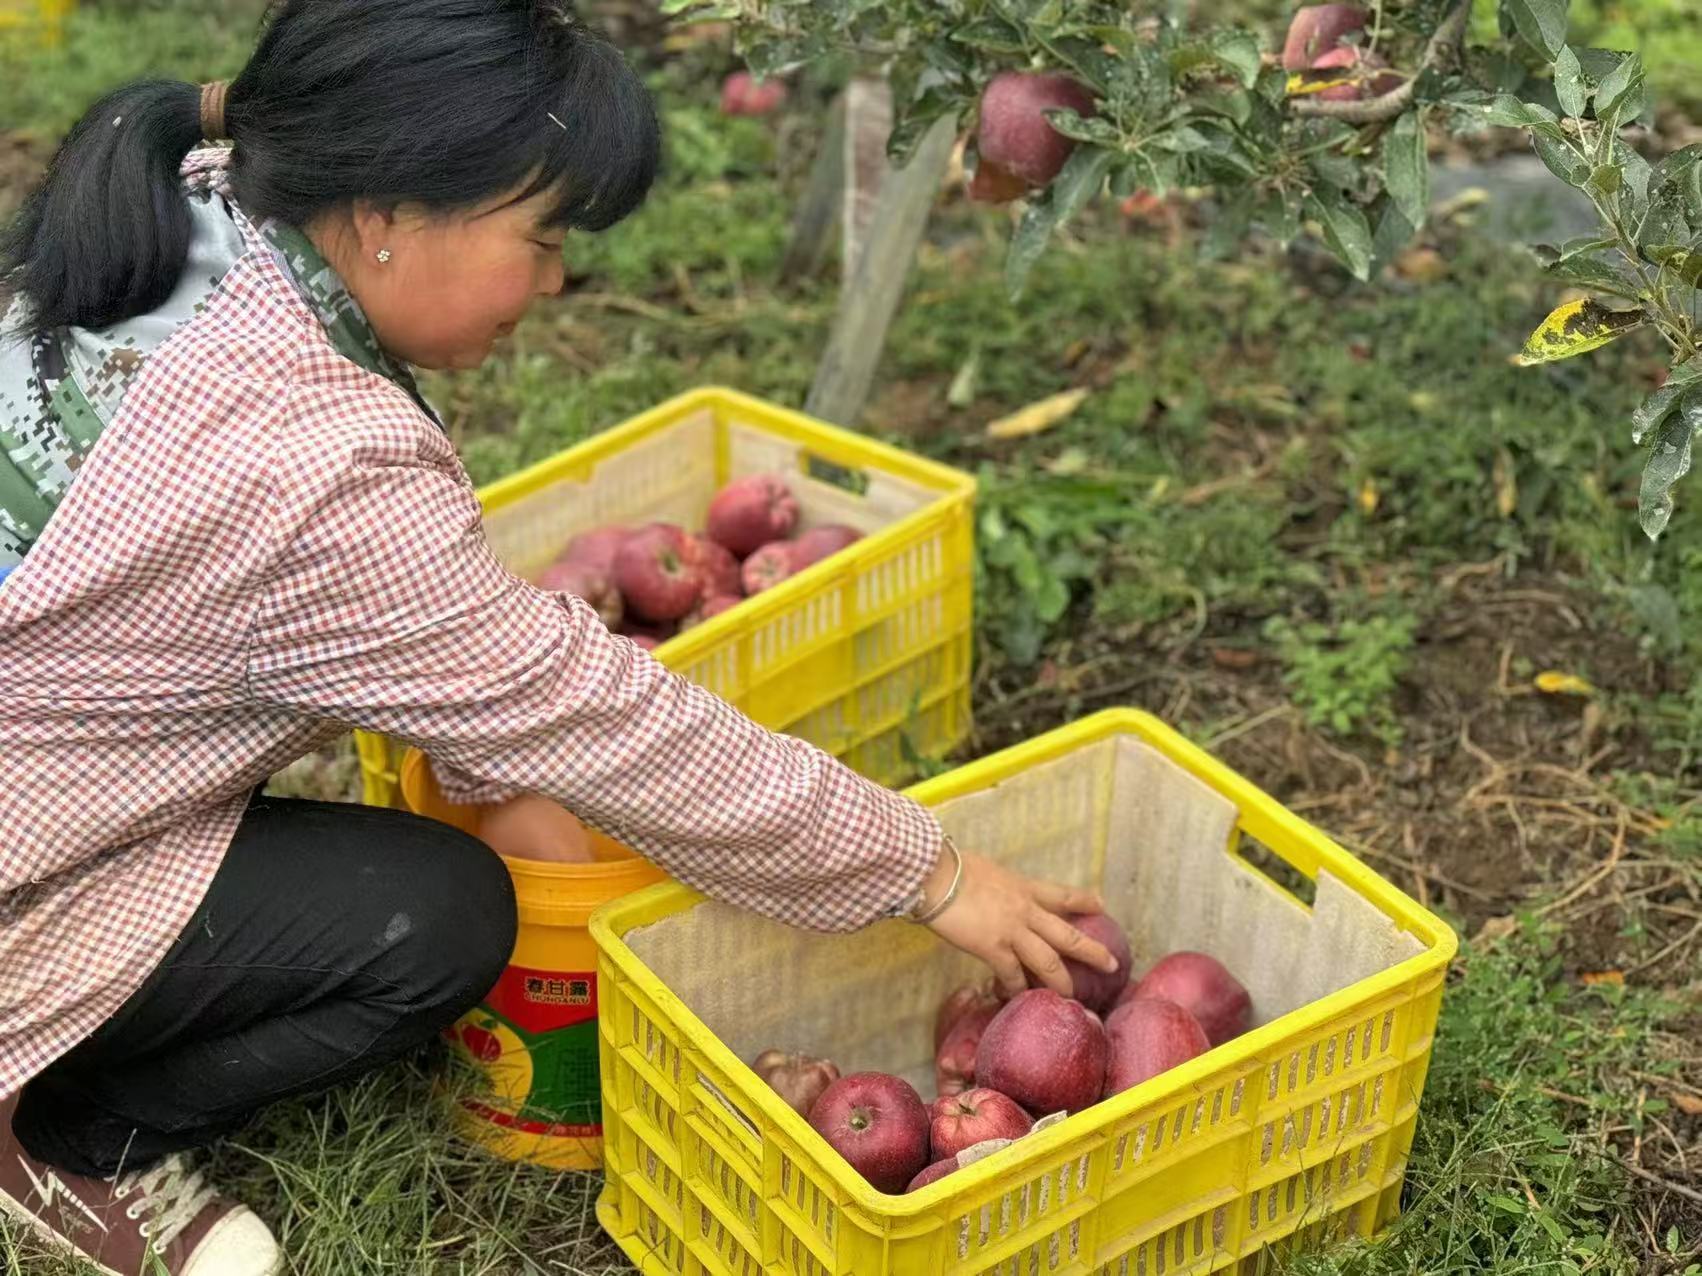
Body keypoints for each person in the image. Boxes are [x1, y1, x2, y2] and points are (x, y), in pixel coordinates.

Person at [0, 3, 1117, 1272]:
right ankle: (64, 1136)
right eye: (537, 238)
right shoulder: (325, 476)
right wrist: (936, 875)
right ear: (383, 211)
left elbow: (398, 634)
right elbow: (617, 724)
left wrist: (500, 761)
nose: (554, 282)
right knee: (435, 922)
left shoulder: (201, 211)